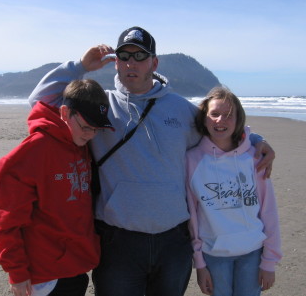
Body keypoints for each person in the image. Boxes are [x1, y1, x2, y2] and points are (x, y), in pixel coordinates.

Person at [28, 26, 275, 296]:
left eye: (139, 56)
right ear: (115, 63)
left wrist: (256, 140)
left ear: (154, 63)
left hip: (173, 240)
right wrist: (79, 66)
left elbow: (220, 130)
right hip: (117, 239)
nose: (131, 63)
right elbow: (40, 100)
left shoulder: (181, 109)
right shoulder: (101, 107)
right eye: (124, 56)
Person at [0, 79, 114, 296]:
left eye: (97, 129)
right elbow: (7, 223)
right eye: (86, 127)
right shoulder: (31, 153)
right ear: (65, 113)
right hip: (44, 277)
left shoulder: (81, 144)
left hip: (76, 267)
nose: (91, 135)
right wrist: (17, 273)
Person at [186, 86, 282, 296]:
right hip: (214, 254)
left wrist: (269, 262)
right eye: (215, 114)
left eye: (229, 115)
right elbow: (192, 217)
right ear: (204, 118)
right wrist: (199, 263)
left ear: (239, 120)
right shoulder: (191, 160)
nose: (221, 120)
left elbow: (269, 211)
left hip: (253, 252)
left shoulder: (255, 157)